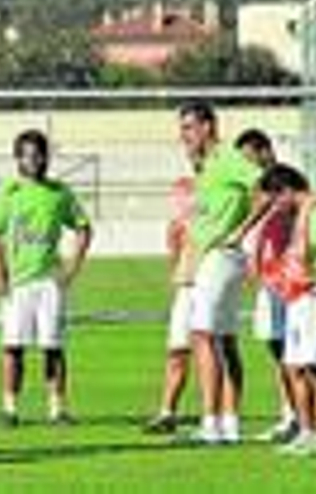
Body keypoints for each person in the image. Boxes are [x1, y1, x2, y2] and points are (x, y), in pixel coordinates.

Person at [0, 130, 93, 427]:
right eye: (26, 155)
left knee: (53, 346)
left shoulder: (59, 193)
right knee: (12, 346)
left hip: (48, 283)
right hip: (17, 284)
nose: (31, 160)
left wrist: (72, 266)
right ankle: (9, 409)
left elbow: (84, 228)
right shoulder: (10, 193)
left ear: (45, 157)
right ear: (17, 158)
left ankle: (57, 409)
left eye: (37, 155)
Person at [176, 103, 263, 445]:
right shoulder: (208, 165)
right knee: (224, 339)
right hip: (212, 257)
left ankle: (210, 423)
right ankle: (229, 423)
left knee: (202, 336)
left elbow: (263, 189)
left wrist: (242, 229)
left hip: (221, 256)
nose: (184, 136)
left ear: (208, 127)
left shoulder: (229, 158)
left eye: (189, 127)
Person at [254, 165, 316, 458]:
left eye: (275, 199)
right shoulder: (299, 213)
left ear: (287, 190)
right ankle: (307, 433)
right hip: (297, 298)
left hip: (315, 300)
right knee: (295, 367)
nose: (275, 207)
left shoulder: (315, 212)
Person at [234, 130, 300, 443]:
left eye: (249, 156)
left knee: (289, 349)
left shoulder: (281, 185)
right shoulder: (258, 187)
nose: (247, 164)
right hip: (267, 279)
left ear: (265, 151)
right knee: (277, 349)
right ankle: (290, 413)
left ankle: (298, 416)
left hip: (285, 280)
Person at [145, 164, 198, 435]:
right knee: (177, 350)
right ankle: (167, 412)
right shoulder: (181, 209)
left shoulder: (215, 202)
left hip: (209, 284)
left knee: (213, 352)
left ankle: (222, 416)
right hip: (186, 285)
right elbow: (174, 244)